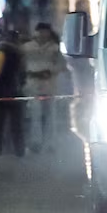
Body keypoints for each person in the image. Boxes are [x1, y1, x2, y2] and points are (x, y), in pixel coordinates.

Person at [20, 21, 69, 153]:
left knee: (50, 115)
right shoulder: (27, 48)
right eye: (41, 31)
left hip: (49, 84)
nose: (43, 34)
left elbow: (62, 65)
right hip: (33, 85)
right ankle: (36, 142)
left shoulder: (54, 48)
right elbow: (22, 65)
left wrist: (51, 71)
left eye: (45, 31)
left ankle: (50, 143)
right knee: (35, 115)